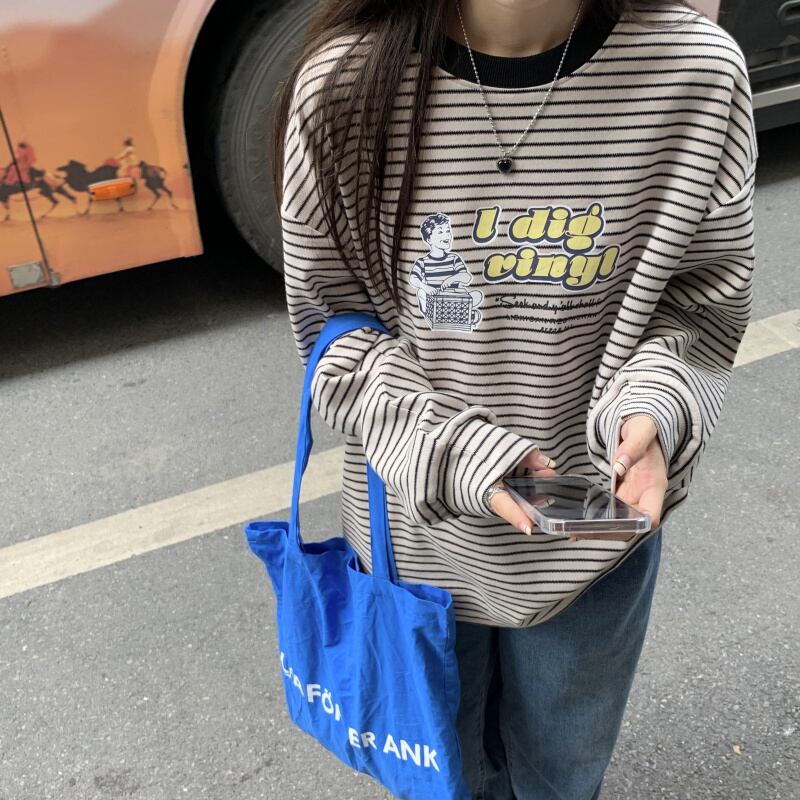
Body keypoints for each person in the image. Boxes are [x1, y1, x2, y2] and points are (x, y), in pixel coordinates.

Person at [273, 1, 757, 797]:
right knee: (447, 776)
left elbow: (697, 305)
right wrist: (457, 453)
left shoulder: (694, 73)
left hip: (595, 528)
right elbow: (336, 332)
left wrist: (654, 405)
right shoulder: (345, 84)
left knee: (561, 776)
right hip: (420, 536)